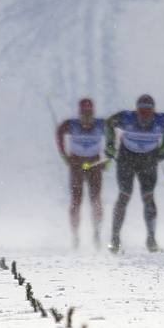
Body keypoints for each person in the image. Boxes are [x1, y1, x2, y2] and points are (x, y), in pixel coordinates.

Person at [104, 94, 164, 253]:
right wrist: (110, 145)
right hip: (126, 157)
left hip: (148, 159)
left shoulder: (161, 120)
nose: (144, 115)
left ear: (153, 111)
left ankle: (151, 239)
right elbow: (109, 123)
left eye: (148, 112)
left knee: (148, 196)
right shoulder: (127, 118)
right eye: (141, 111)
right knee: (124, 195)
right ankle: (115, 238)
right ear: (136, 110)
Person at [55, 98, 106, 249]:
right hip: (76, 164)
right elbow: (59, 133)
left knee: (95, 199)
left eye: (89, 113)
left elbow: (115, 133)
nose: (86, 117)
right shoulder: (71, 125)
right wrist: (64, 155)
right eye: (84, 114)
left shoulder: (100, 124)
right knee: (76, 200)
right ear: (79, 113)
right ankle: (75, 235)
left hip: (95, 164)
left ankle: (96, 233)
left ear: (93, 113)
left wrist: (109, 156)